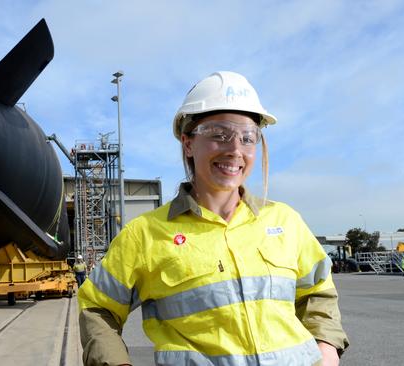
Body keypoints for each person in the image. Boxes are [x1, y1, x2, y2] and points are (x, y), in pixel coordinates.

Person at [77, 71, 349, 366]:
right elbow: (96, 308)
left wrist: (326, 347)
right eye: (219, 135)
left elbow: (318, 292)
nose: (235, 150)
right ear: (188, 143)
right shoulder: (145, 234)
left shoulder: (286, 221)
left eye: (248, 138)